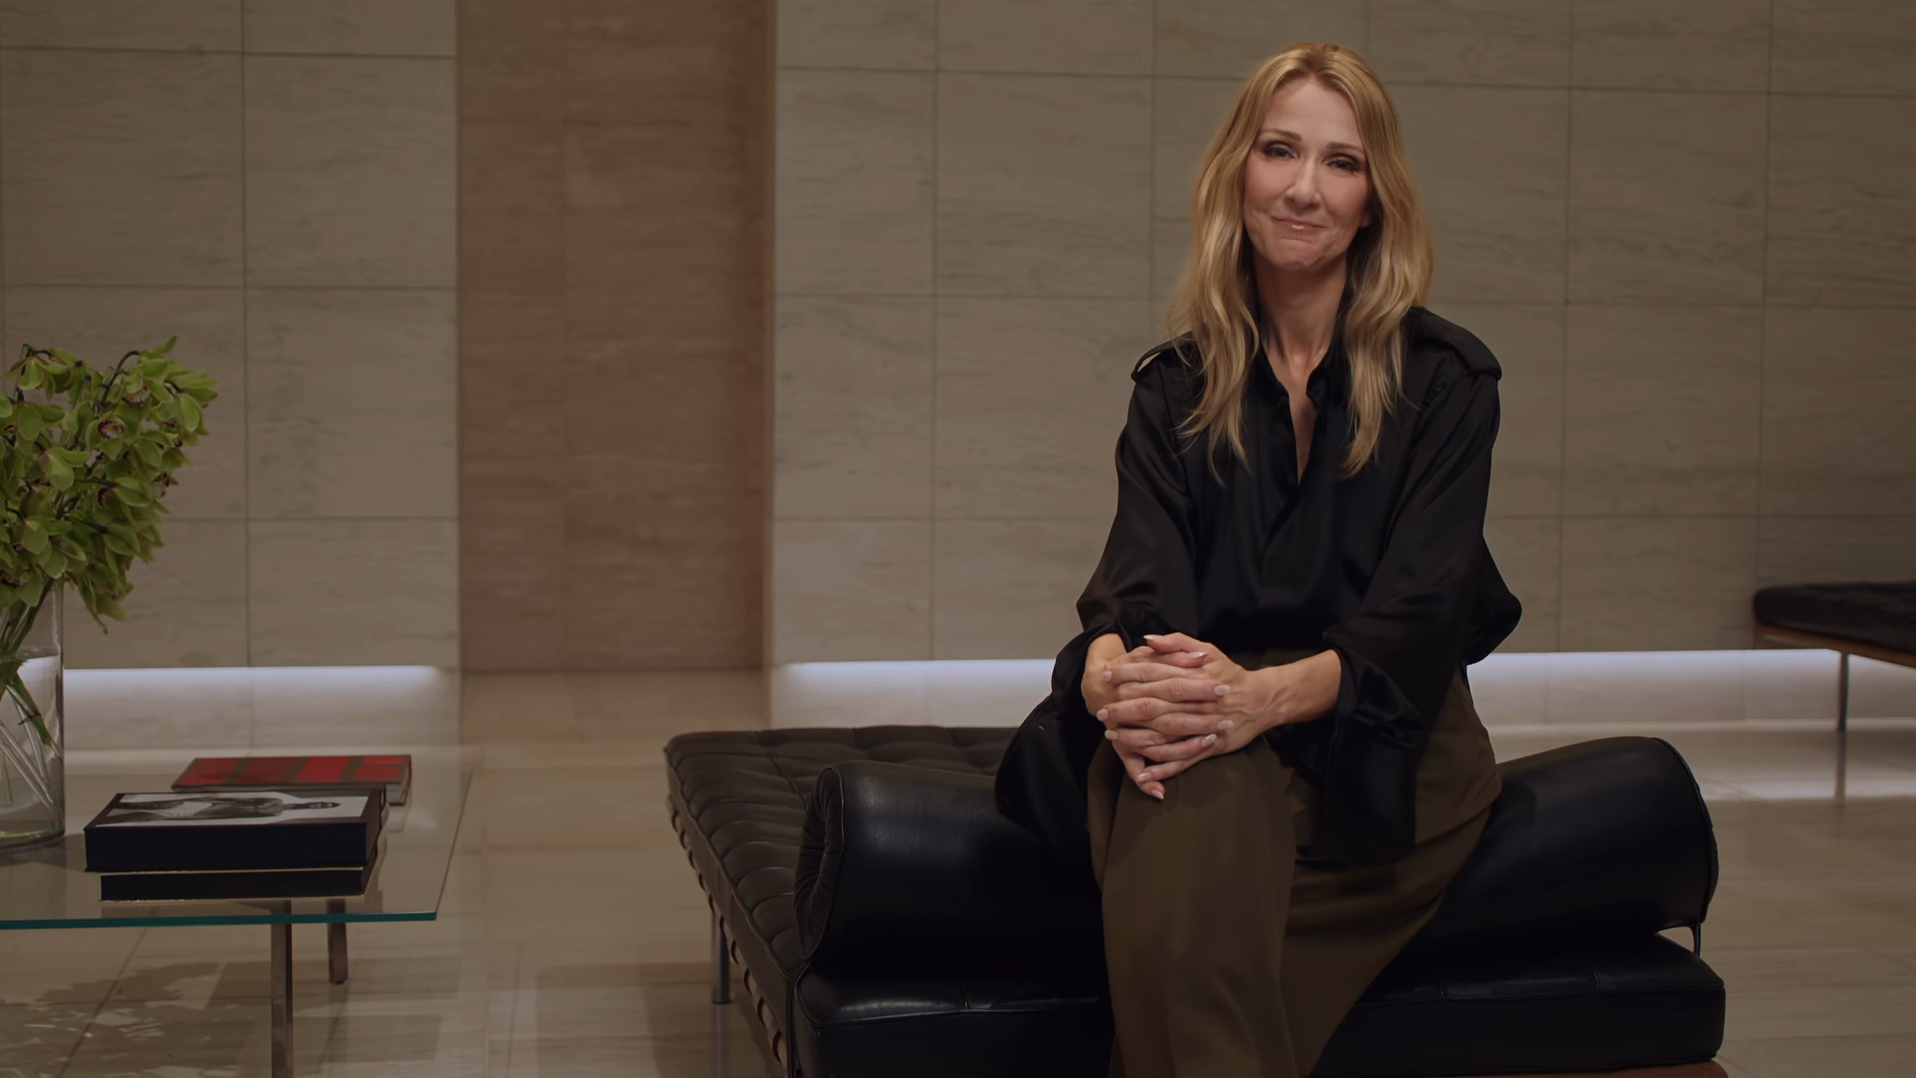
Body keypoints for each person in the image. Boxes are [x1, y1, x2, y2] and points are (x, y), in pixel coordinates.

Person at [994, 43, 1523, 1078]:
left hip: (1384, 750)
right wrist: (1116, 674)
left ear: (1374, 201)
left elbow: (1415, 616)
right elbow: (1136, 588)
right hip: (1200, 737)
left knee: (1176, 933)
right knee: (1187, 802)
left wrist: (1260, 699)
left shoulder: (1447, 381)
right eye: (1279, 150)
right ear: (1236, 173)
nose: (1302, 188)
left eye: (1340, 162)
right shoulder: (1170, 388)